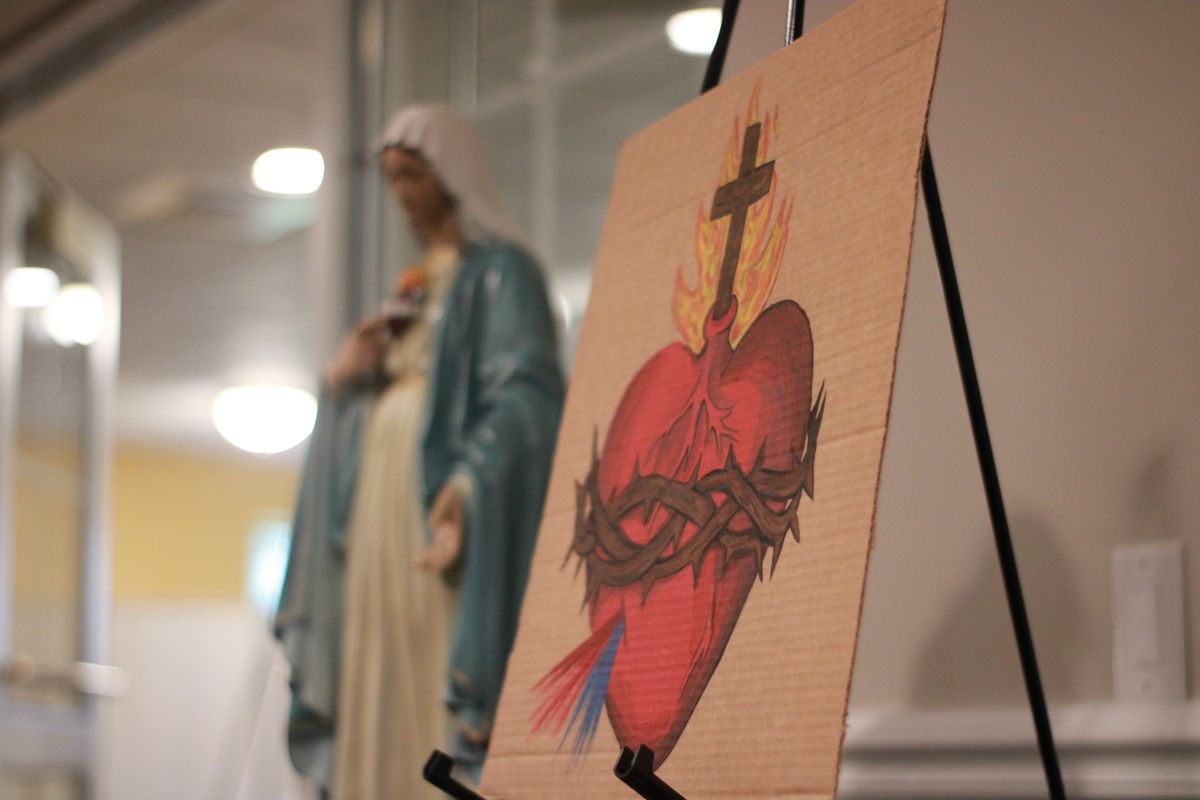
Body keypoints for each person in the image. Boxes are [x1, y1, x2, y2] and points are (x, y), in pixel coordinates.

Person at [275, 104, 564, 799]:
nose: (401, 193)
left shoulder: (504, 273)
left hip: (441, 507)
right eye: (391, 178)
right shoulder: (412, 288)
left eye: (412, 174)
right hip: (377, 509)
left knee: (430, 655)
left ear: (450, 173)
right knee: (374, 655)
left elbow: (526, 396)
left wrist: (468, 481)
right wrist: (343, 381)